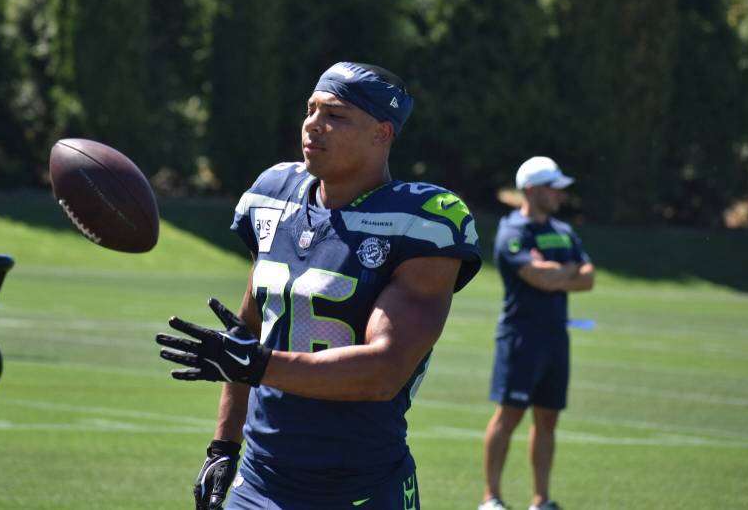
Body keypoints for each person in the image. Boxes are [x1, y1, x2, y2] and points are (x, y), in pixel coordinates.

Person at [156, 62, 482, 510]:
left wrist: (258, 365)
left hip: (361, 487)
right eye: (311, 110)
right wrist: (223, 447)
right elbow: (246, 333)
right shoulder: (273, 194)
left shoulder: (423, 221)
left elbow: (385, 371)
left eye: (335, 115)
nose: (313, 124)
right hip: (260, 482)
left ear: (382, 132)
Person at [479, 157, 595, 510]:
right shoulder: (513, 231)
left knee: (548, 418)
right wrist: (565, 270)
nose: (560, 194)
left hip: (556, 337)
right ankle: (490, 498)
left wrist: (556, 270)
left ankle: (540, 500)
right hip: (521, 336)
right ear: (531, 190)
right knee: (509, 415)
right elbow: (538, 277)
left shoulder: (563, 230)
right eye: (553, 187)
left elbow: (588, 279)